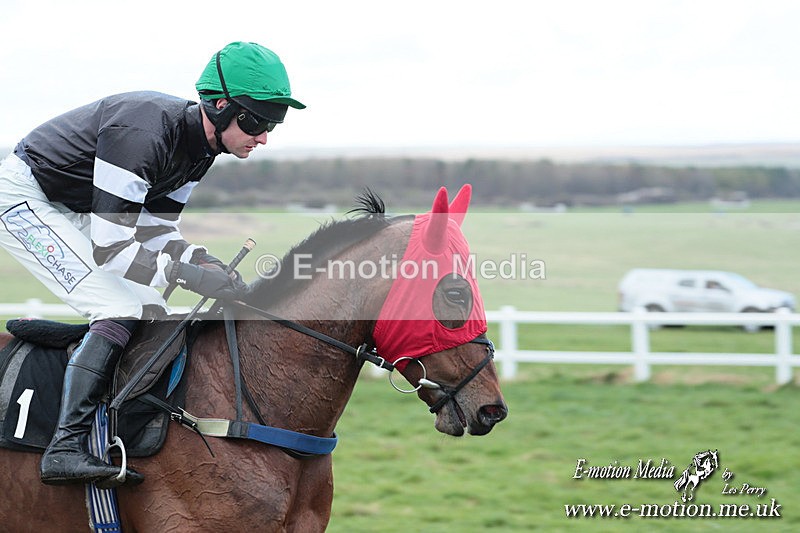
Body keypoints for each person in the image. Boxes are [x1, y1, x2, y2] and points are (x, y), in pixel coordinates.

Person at [0, 41, 305, 488]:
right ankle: (63, 448)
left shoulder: (200, 151)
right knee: (118, 306)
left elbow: (155, 231)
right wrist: (184, 273)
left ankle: (115, 417)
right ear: (219, 107)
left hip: (79, 209)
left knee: (152, 305)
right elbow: (111, 246)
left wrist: (201, 260)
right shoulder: (143, 134)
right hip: (27, 199)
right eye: (256, 121)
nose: (263, 136)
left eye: (273, 124)